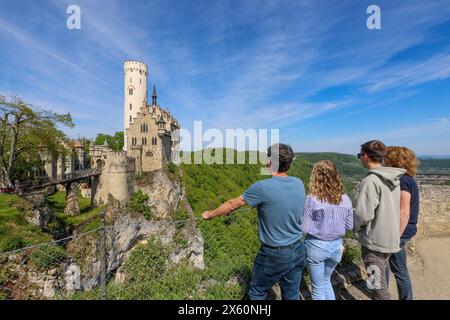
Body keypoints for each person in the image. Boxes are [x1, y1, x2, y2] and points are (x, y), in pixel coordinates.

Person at [201, 143, 307, 300]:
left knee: (257, 292)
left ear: (270, 162)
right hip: (298, 247)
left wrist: (209, 214)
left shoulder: (262, 187)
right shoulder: (298, 183)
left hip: (274, 253)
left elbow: (232, 205)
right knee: (291, 294)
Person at [353, 140, 406, 300]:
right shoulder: (393, 179)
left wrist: (354, 227)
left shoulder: (371, 181)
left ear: (366, 156)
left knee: (377, 287)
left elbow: (362, 214)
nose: (360, 158)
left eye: (360, 155)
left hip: (374, 243)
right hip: (389, 239)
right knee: (379, 282)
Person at [301, 160, 353, 300]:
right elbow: (349, 226)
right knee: (326, 281)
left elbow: (304, 228)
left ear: (315, 177)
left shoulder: (311, 199)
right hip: (336, 246)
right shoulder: (345, 198)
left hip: (316, 246)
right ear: (335, 175)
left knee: (317, 288)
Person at [384, 146, 420, 300]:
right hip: (402, 231)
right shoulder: (408, 178)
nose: (384, 160)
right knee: (387, 265)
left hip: (399, 232)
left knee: (399, 269)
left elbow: (404, 212)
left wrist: (395, 237)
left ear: (394, 160)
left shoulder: (403, 180)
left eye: (387, 157)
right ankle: (382, 294)